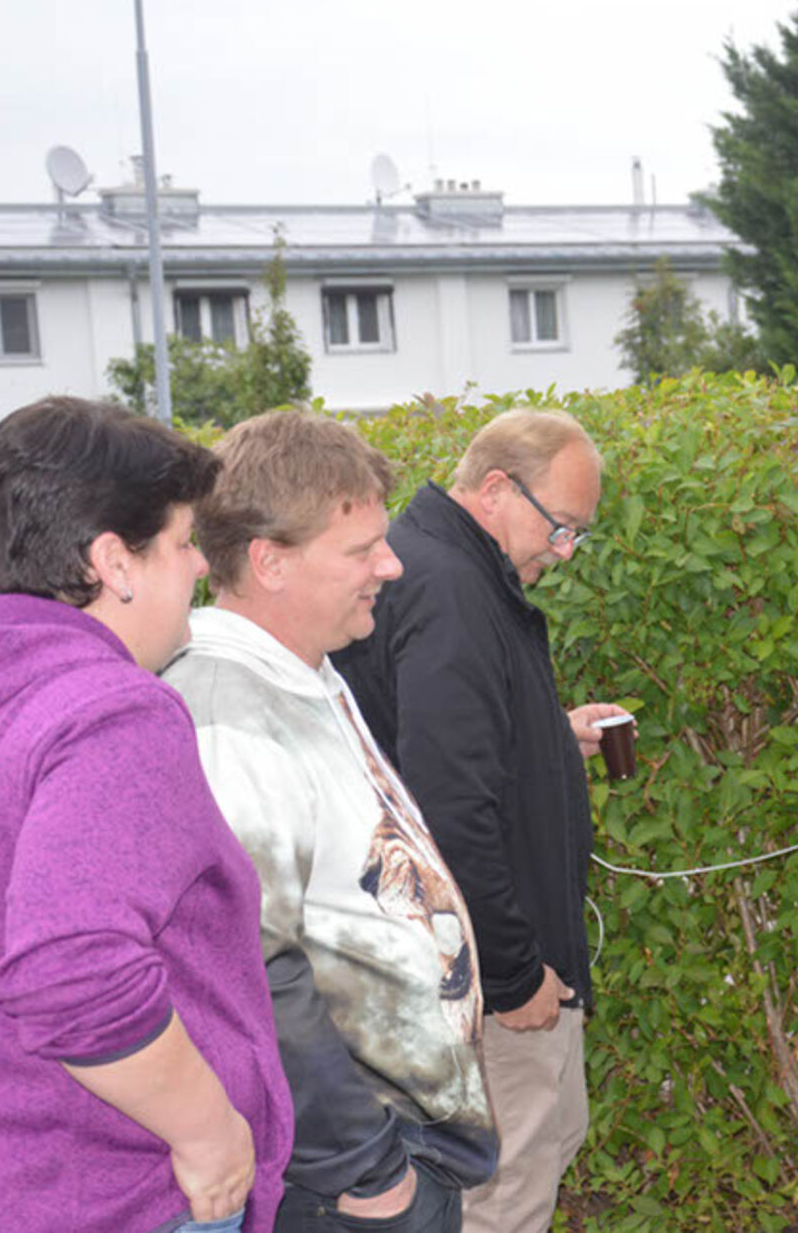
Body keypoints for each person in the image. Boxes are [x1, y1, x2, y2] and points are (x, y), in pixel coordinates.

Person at [0, 396, 293, 1233]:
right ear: (116, 561)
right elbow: (74, 973)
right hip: (98, 1198)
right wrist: (210, 1131)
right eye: (183, 544)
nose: (198, 572)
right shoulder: (114, 713)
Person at [163, 409, 496, 1233]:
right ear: (270, 561)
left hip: (390, 1155)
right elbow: (247, 962)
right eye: (359, 551)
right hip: (346, 1185)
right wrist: (362, 1169)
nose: (390, 564)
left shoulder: (308, 667)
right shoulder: (223, 710)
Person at [335, 407, 625, 1233]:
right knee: (502, 1198)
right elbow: (450, 808)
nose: (563, 552)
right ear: (497, 489)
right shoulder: (454, 590)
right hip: (485, 982)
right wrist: (510, 975)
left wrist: (547, 732)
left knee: (545, 1144)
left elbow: (435, 742)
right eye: (561, 526)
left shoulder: (442, 568)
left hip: (481, 970)